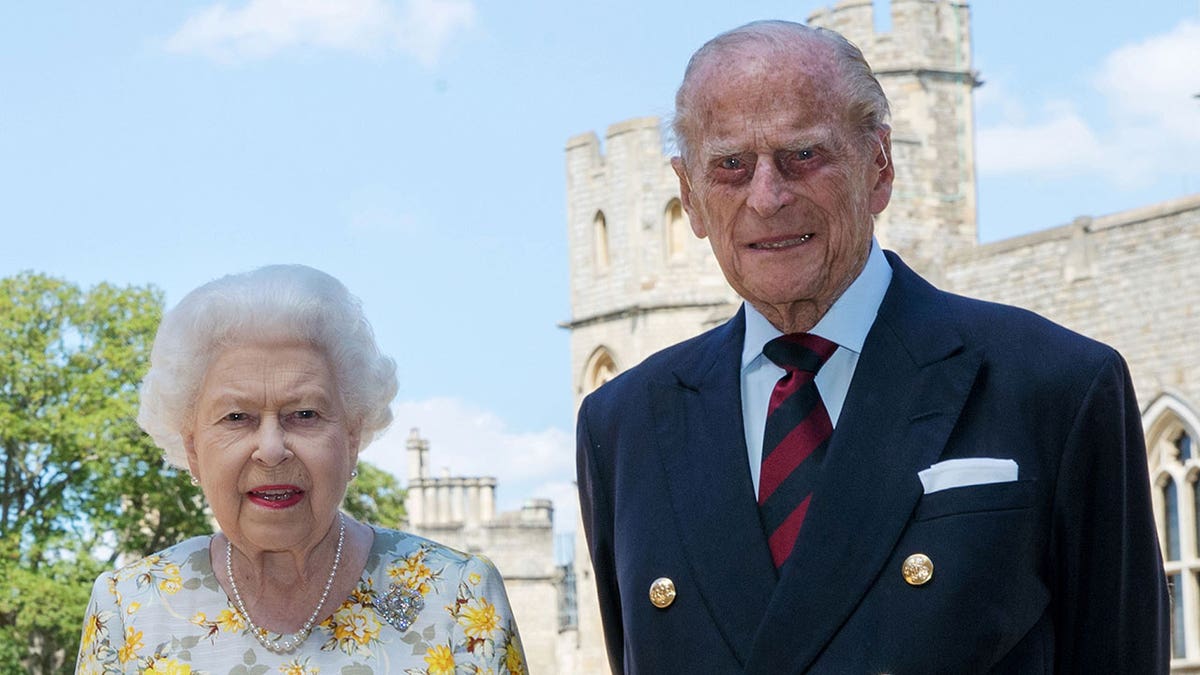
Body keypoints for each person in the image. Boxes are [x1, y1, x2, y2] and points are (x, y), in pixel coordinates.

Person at [575, 20, 1168, 673]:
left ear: (878, 167)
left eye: (803, 155)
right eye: (731, 166)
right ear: (688, 195)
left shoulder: (1057, 386)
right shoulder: (623, 426)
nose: (767, 198)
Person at [77, 265, 527, 674]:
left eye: (305, 414)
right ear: (192, 449)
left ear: (352, 437)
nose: (272, 450)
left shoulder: (457, 597)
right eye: (237, 417)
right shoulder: (128, 607)